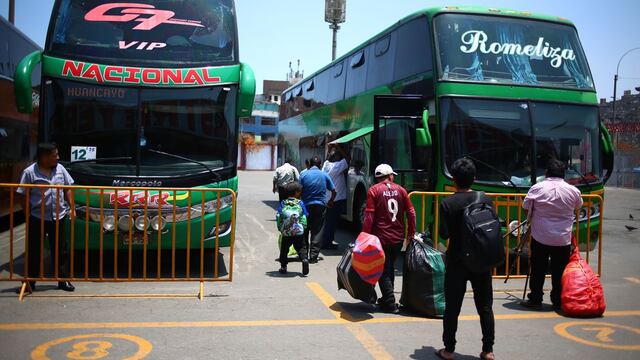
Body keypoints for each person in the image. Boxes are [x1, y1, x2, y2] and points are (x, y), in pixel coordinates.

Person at [437, 158, 495, 360]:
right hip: (481, 260)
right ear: (474, 178)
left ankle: (449, 350)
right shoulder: (485, 199)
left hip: (457, 261)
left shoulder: (448, 203)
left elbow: (444, 234)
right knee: (485, 306)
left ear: (453, 179)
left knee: (452, 307)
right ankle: (488, 350)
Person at [520, 159, 583, 311]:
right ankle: (557, 300)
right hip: (562, 238)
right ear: (564, 175)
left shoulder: (537, 188)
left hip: (540, 235)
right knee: (559, 271)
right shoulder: (573, 190)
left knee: (538, 268)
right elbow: (578, 206)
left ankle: (535, 298)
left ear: (546, 173)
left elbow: (525, 208)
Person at [16, 143, 76, 293]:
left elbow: (68, 188)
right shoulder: (29, 172)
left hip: (59, 216)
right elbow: (22, 194)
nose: (58, 157)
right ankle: (30, 281)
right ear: (44, 157)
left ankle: (63, 281)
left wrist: (72, 208)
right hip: (37, 217)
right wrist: (27, 214)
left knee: (61, 249)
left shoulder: (60, 169)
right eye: (54, 155)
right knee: (34, 250)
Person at [362, 164, 416, 314]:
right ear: (389, 176)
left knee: (383, 270)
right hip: (398, 238)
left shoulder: (373, 190)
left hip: (381, 238)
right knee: (389, 267)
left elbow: (369, 216)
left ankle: (391, 302)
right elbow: (411, 213)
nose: (393, 177)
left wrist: (364, 236)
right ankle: (386, 299)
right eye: (393, 175)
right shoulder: (401, 190)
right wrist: (411, 233)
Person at [300, 156, 336, 263]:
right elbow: (334, 191)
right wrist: (330, 201)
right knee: (317, 231)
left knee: (305, 230)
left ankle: (304, 256)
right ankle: (313, 256)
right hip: (320, 206)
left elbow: (298, 190)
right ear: (320, 165)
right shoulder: (324, 175)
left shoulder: (303, 174)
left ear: (310, 164)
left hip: (305, 206)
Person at [276, 182, 309, 276]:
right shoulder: (300, 203)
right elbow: (304, 215)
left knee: (284, 249)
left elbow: (279, 216)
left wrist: (280, 227)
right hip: (298, 231)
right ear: (297, 192)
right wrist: (304, 226)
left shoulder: (283, 203)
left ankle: (283, 267)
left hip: (286, 232)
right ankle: (304, 259)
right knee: (301, 247)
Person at [322, 145, 350, 250]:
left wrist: (330, 150)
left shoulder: (326, 165)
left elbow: (327, 158)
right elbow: (348, 159)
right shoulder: (337, 166)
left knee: (328, 222)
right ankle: (326, 243)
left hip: (328, 198)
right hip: (335, 199)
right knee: (331, 223)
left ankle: (327, 241)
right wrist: (341, 147)